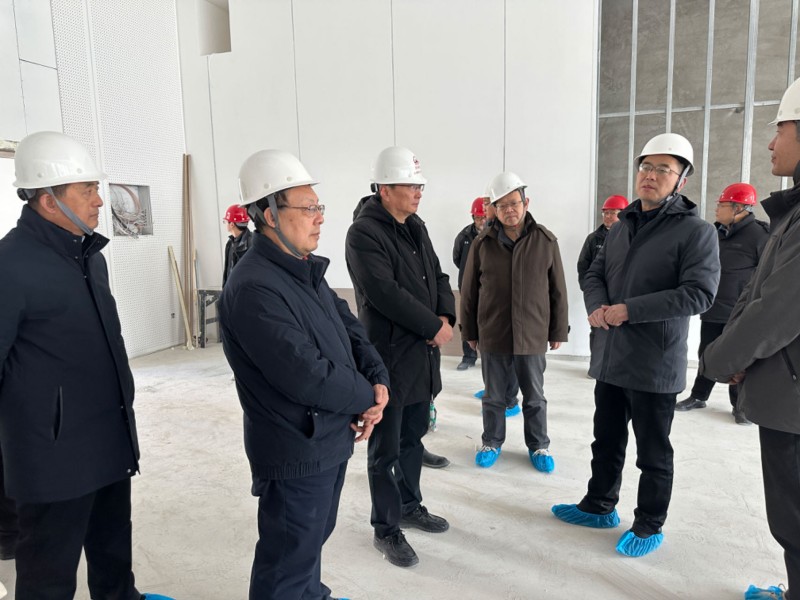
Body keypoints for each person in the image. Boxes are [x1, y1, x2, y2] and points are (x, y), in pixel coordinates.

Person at [0, 131, 172, 599]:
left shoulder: (89, 257)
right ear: (49, 200)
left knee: (113, 549)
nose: (99, 200)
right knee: (49, 571)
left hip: (108, 436)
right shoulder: (10, 266)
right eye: (87, 190)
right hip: (52, 456)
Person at [219, 149, 389, 600]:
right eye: (308, 207)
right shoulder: (254, 286)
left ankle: (312, 594)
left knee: (311, 540)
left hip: (327, 435)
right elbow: (305, 374)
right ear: (270, 215)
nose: (320, 217)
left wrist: (377, 379)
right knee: (288, 555)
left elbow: (350, 328)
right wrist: (366, 398)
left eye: (319, 206)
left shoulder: (304, 270)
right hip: (294, 443)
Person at [552, 132, 720, 558]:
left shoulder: (696, 232)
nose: (651, 175)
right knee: (605, 440)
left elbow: (699, 294)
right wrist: (597, 305)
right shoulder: (621, 226)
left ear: (681, 180)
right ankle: (599, 505)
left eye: (664, 169)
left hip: (654, 361)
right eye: (646, 166)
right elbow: (594, 273)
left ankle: (648, 523)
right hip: (611, 355)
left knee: (653, 452)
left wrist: (629, 310)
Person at [701, 77, 800, 600]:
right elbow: (757, 293)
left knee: (794, 520)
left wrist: (720, 359)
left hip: (793, 400)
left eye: (780, 130)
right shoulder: (790, 216)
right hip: (784, 388)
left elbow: (775, 311)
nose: (770, 143)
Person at [346, 146, 456, 568]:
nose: (418, 192)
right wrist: (432, 327)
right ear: (385, 189)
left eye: (419, 185)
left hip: (421, 359)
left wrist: (445, 316)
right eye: (410, 186)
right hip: (390, 360)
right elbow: (385, 294)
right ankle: (386, 528)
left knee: (413, 439)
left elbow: (439, 275)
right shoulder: (364, 234)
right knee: (385, 451)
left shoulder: (415, 226)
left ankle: (410, 506)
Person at [460, 172, 569, 471]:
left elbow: (558, 289)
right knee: (494, 396)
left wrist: (558, 330)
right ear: (493, 209)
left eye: (514, 203)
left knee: (534, 397)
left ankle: (539, 446)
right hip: (493, 331)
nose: (509, 210)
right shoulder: (482, 244)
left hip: (532, 333)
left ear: (526, 202)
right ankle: (491, 442)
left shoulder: (545, 240)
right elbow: (469, 292)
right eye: (502, 205)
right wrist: (469, 331)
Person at [676, 183, 769, 424]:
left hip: (740, 312)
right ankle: (699, 396)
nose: (717, 209)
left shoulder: (760, 236)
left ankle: (739, 406)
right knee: (706, 352)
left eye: (722, 205)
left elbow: (767, 274)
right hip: (713, 307)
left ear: (738, 208)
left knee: (737, 358)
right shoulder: (716, 233)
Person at [577, 195, 629, 375]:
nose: (608, 217)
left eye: (612, 213)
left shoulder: (630, 237)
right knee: (598, 328)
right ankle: (596, 367)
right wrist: (589, 290)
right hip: (598, 295)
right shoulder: (593, 239)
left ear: (623, 214)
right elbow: (583, 266)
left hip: (620, 296)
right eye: (605, 213)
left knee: (621, 331)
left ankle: (616, 369)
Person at [452, 197, 488, 370]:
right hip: (467, 286)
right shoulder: (464, 236)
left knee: (490, 321)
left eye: (484, 217)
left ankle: (489, 357)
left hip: (489, 286)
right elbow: (457, 259)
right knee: (468, 320)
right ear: (473, 217)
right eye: (478, 217)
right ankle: (468, 357)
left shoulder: (495, 235)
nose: (482, 221)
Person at [221, 203, 252, 286]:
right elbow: (227, 272)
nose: (225, 224)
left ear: (232, 224)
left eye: (225, 221)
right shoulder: (229, 243)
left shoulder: (253, 244)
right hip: (231, 291)